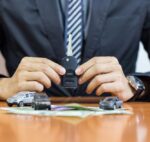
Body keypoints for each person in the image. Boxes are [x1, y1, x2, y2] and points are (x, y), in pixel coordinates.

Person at [0, 0, 149, 101]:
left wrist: (136, 86)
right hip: (28, 125)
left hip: (116, 127)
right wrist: (4, 86)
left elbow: (138, 86)